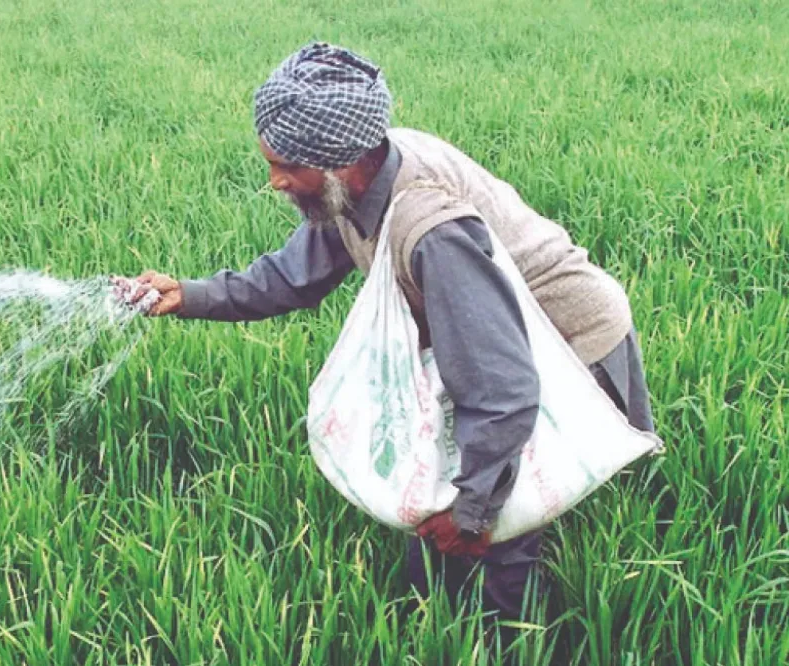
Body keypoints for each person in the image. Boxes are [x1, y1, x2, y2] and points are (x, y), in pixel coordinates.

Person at [121, 42, 655, 621]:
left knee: (504, 523)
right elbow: (293, 277)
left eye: (286, 166)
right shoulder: (358, 181)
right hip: (494, 339)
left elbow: (500, 388)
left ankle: (514, 637)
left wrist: (474, 512)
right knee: (468, 491)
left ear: (338, 161)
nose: (274, 181)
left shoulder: (431, 230)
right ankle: (434, 612)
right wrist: (190, 295)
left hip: (567, 341)